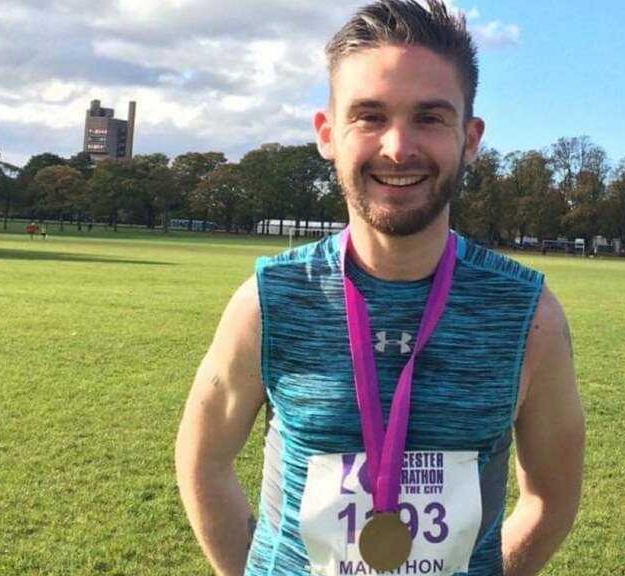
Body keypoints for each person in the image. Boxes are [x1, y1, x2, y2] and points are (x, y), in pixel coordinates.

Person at [174, 2, 585, 575]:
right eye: (369, 116)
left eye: (429, 118)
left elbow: (550, 500)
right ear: (328, 134)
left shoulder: (528, 315)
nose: (397, 147)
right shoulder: (268, 301)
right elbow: (203, 461)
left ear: (469, 139)